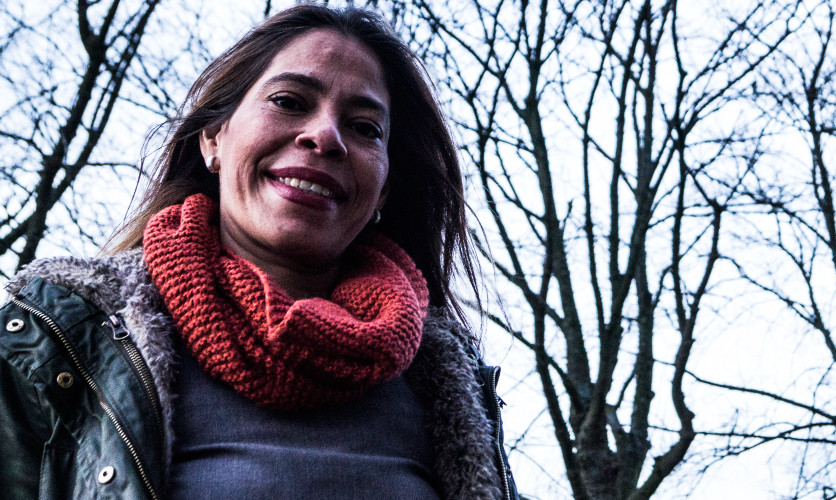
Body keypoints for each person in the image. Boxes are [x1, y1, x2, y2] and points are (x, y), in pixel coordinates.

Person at [0, 5, 518, 499]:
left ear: (383, 190)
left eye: (365, 128)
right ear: (213, 139)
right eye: (289, 101)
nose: (325, 136)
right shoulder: (60, 341)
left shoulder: (450, 382)